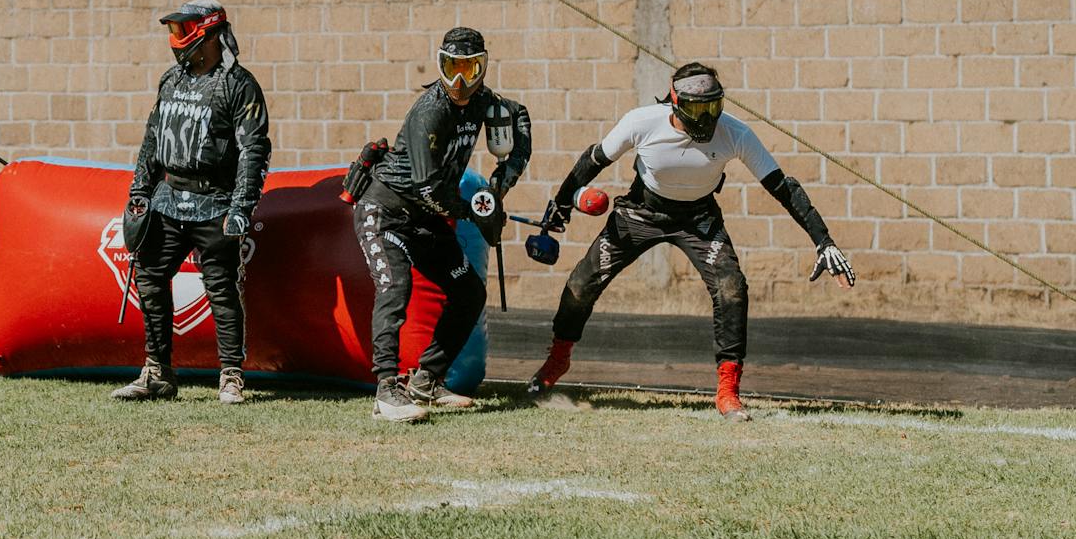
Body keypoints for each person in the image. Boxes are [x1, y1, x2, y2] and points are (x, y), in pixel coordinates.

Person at [525, 61, 857, 419]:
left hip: (699, 219)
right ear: (674, 101)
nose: (707, 117)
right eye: (698, 108)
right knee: (580, 283)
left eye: (713, 106)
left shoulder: (736, 133)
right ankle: (557, 361)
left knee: (732, 289)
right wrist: (561, 205)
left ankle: (728, 390)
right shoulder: (641, 121)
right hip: (641, 212)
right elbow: (593, 160)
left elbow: (782, 186)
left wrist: (824, 241)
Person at [352, 26, 531, 423]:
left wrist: (506, 178)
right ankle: (386, 389)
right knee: (394, 290)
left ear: (483, 67)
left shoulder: (484, 101)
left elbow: (519, 117)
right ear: (440, 64)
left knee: (469, 293)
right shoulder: (429, 111)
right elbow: (428, 186)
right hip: (386, 213)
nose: (460, 79)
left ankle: (427, 380)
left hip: (425, 217)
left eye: (470, 68)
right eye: (452, 67)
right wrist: (476, 211)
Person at [112, 0, 272, 405]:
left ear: (210, 35)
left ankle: (231, 376)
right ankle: (157, 373)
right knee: (148, 278)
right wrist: (138, 193)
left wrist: (241, 208)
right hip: (167, 199)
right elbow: (151, 141)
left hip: (216, 203)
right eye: (174, 32)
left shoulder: (240, 85)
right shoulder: (170, 81)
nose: (176, 40)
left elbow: (254, 150)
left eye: (183, 32)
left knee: (220, 287)